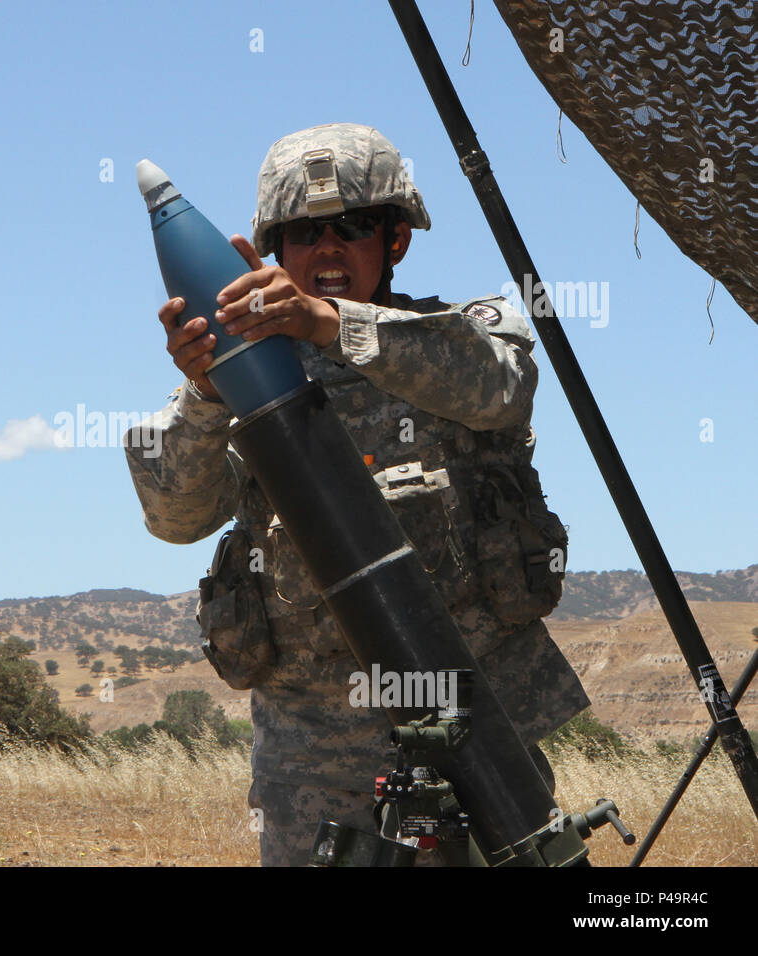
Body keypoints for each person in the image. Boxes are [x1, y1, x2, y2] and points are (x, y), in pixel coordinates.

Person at [124, 123, 590, 866]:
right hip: (314, 766)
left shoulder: (459, 334)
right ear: (273, 250)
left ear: (396, 238)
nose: (328, 249)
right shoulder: (243, 384)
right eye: (304, 233)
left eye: (353, 226)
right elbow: (174, 516)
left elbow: (503, 389)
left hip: (477, 740)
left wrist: (329, 326)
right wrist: (209, 392)